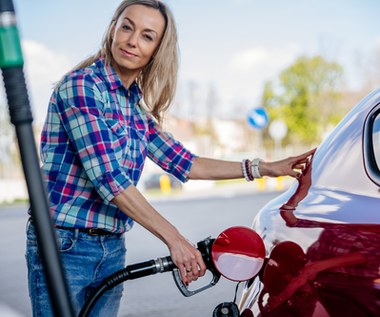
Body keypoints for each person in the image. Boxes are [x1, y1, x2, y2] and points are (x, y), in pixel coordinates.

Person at [25, 0, 314, 316]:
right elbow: (111, 181)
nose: (133, 40)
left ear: (156, 50)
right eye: (127, 27)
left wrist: (264, 167)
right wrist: (176, 241)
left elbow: (188, 163)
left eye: (147, 36)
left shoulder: (134, 111)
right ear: (112, 30)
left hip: (111, 248)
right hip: (64, 245)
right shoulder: (81, 87)